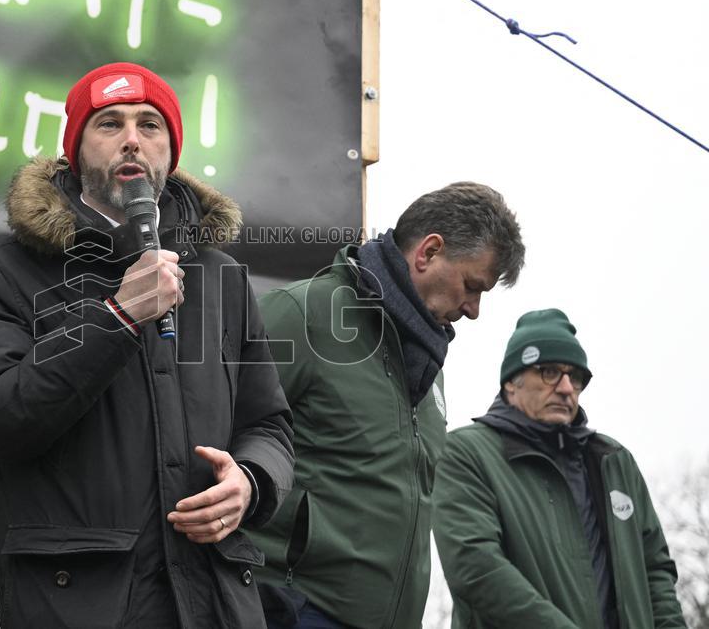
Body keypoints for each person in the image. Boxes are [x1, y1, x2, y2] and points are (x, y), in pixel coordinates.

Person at [0, 62, 295, 629]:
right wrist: (118, 316)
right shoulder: (1, 273)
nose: (132, 138)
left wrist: (251, 482)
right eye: (108, 123)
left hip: (213, 605)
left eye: (149, 124)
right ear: (75, 152)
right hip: (80, 607)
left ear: (171, 154)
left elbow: (271, 424)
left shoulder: (222, 277)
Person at [246, 183, 525, 628]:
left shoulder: (430, 369)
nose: (473, 310)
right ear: (428, 252)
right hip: (292, 610)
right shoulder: (303, 313)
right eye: (473, 287)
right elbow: (207, 442)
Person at [433, 308, 685, 628]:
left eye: (575, 377)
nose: (566, 388)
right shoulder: (467, 453)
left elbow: (656, 572)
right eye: (549, 372)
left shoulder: (615, 461)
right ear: (512, 382)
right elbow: (476, 568)